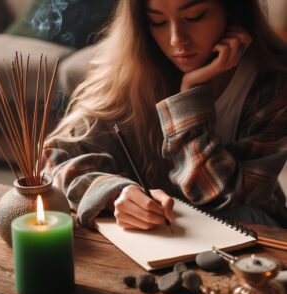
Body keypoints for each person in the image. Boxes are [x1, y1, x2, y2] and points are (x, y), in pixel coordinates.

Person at [42, 0, 287, 230]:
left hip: (252, 237)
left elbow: (222, 194)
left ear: (231, 9)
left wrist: (188, 97)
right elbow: (54, 162)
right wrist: (113, 191)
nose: (176, 40)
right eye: (157, 21)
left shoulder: (271, 81)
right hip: (161, 237)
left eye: (194, 16)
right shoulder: (130, 72)